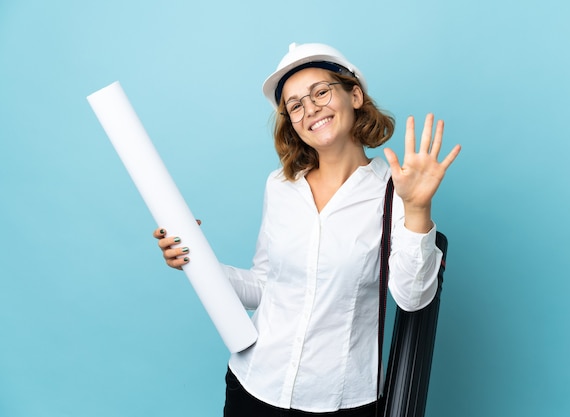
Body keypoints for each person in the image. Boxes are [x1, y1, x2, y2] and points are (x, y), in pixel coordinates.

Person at [153, 42, 461, 416]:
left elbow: (412, 299)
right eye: (296, 105)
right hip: (253, 385)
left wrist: (417, 208)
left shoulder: (396, 191)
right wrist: (194, 259)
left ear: (356, 95)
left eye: (321, 92)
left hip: (339, 401)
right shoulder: (280, 186)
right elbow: (266, 286)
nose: (310, 108)